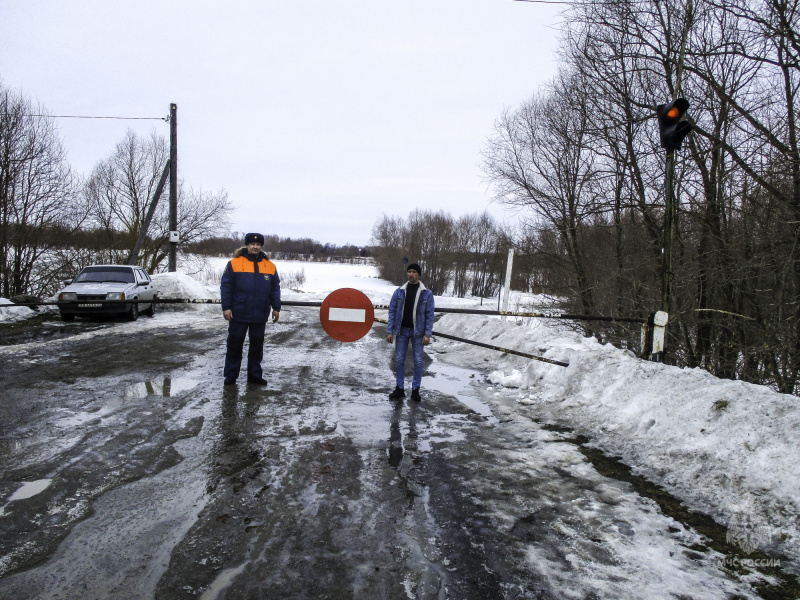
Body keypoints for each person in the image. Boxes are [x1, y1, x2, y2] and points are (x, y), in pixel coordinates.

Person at [220, 233, 281, 385]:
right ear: (246, 245)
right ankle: (231, 374)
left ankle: (254, 375)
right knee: (234, 344)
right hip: (239, 312)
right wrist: (226, 307)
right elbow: (226, 287)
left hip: (260, 313)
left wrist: (276, 307)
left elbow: (275, 288)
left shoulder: (270, 266)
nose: (255, 247)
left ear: (261, 246)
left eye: (258, 245)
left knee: (257, 346)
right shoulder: (234, 263)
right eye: (252, 244)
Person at [386, 263, 434, 401]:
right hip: (401, 331)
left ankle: (415, 390)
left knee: (418, 361)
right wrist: (390, 331)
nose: (411, 274)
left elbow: (429, 315)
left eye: (413, 271)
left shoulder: (426, 294)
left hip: (418, 332)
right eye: (409, 271)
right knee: (400, 359)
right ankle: (399, 388)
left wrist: (427, 334)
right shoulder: (399, 291)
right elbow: (392, 311)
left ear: (418, 274)